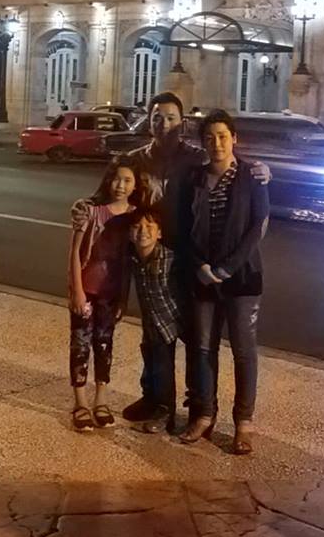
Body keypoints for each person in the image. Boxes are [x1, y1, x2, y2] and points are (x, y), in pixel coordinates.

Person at [72, 91, 271, 426]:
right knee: (154, 333)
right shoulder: (134, 160)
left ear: (182, 123)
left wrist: (262, 169)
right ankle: (156, 397)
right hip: (147, 254)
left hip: (187, 256)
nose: (164, 124)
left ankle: (198, 405)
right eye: (157, 117)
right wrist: (84, 206)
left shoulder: (195, 158)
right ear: (148, 122)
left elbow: (227, 161)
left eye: (170, 118)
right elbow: (107, 194)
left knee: (194, 334)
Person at [180, 110, 269, 456]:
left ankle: (243, 423)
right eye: (209, 137)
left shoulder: (252, 176)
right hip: (203, 276)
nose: (216, 143)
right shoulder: (196, 179)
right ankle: (204, 414)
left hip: (242, 277)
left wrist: (228, 267)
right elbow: (185, 227)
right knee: (204, 347)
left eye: (222, 136)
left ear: (234, 139)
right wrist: (201, 266)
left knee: (244, 352)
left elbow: (258, 226)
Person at [67, 161, 138, 432]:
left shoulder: (134, 216)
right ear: (108, 180)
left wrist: (123, 297)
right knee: (80, 344)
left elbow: (129, 262)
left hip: (111, 293)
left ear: (136, 186)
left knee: (104, 344)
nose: (121, 185)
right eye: (117, 179)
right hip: (87, 289)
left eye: (128, 180)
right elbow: (75, 253)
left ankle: (101, 399)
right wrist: (76, 291)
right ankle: (80, 403)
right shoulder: (90, 210)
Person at [127, 206, 185, 434]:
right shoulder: (134, 258)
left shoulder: (169, 258)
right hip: (151, 321)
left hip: (171, 320)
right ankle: (149, 399)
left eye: (149, 226)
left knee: (163, 364)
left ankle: (165, 410)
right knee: (149, 357)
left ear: (159, 232)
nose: (143, 231)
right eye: (137, 227)